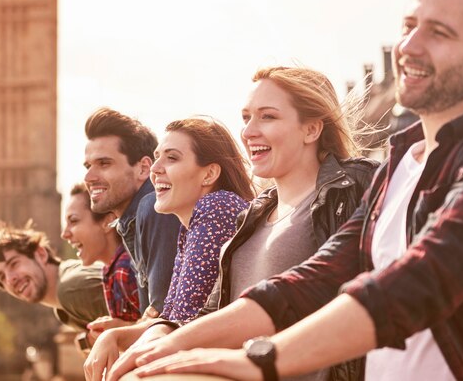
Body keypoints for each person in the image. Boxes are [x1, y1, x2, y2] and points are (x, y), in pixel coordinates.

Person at [118, 0, 463, 380]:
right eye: (409, 25)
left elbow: (418, 284)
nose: (409, 45)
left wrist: (260, 359)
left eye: (439, 32)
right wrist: (171, 340)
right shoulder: (399, 164)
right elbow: (315, 279)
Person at [84, 67, 378, 381]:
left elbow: (346, 300)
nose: (248, 131)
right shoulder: (252, 216)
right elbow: (209, 313)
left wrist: (167, 342)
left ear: (311, 130)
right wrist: (156, 332)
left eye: (267, 117)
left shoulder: (354, 189)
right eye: (246, 117)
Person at [152, 117, 253, 322]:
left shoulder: (218, 207)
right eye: (157, 157)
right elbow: (170, 317)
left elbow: (184, 319)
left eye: (171, 158)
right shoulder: (190, 226)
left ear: (209, 174)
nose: (155, 169)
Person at [83, 108, 181, 317]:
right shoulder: (132, 221)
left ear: (143, 168)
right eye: (88, 166)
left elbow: (164, 319)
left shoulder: (154, 208)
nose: (89, 177)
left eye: (104, 163)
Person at [0, 221, 108, 334]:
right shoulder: (62, 310)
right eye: (2, 277)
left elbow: (127, 324)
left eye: (14, 264)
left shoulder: (71, 288)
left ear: (41, 254)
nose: (10, 279)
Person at [61, 183, 140, 344]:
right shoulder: (111, 270)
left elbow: (165, 326)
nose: (65, 234)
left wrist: (124, 330)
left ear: (107, 222)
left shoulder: (126, 269)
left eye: (74, 221)